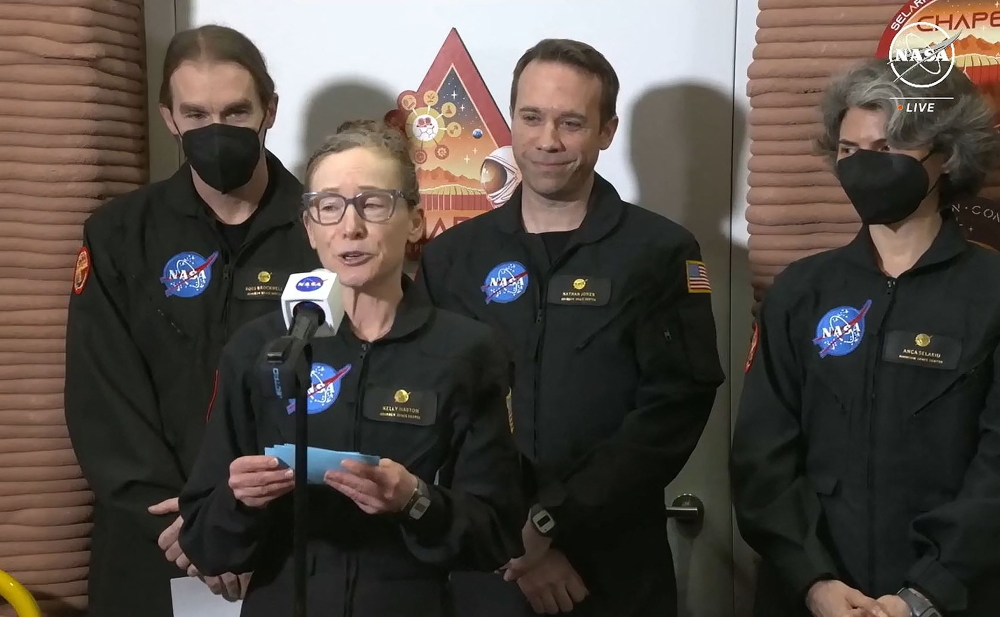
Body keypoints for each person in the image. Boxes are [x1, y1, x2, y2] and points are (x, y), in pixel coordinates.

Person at [416, 38, 726, 616]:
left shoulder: (660, 253)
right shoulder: (453, 258)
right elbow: (438, 409)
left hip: (613, 567)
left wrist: (554, 519)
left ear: (607, 130)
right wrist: (518, 538)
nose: (547, 141)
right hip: (486, 565)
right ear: (511, 120)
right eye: (531, 118)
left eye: (572, 122)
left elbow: (673, 406)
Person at [176, 119, 524, 616]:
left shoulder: (467, 351)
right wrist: (241, 501)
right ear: (310, 229)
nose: (350, 226)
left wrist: (415, 499)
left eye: (373, 203)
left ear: (417, 221)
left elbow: (496, 535)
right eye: (329, 207)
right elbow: (205, 543)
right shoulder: (261, 347)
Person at [63, 25, 319, 617]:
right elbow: (101, 393)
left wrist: (235, 522)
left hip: (282, 544)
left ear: (269, 111)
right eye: (196, 114)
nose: (216, 129)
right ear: (169, 119)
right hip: (156, 537)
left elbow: (338, 393)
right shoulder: (119, 233)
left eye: (235, 111)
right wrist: (188, 525)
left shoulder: (325, 234)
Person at [731, 58, 1000, 617]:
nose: (862, 169)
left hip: (957, 598)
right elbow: (763, 457)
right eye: (850, 152)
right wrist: (814, 581)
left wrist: (925, 596)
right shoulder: (801, 291)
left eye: (885, 150)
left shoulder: (990, 292)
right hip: (809, 599)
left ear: (946, 154)